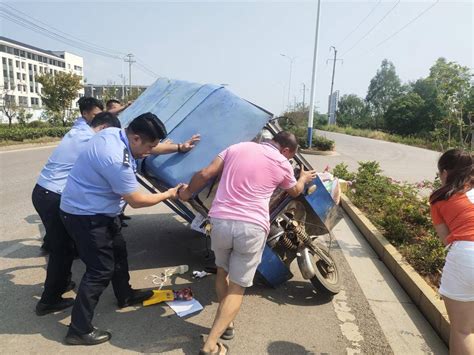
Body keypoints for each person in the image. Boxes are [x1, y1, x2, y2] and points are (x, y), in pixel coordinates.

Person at [59, 112, 193, 346]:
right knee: (99, 270)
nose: (150, 152)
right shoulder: (115, 158)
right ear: (136, 138)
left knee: (119, 252)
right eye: (149, 146)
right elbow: (137, 200)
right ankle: (78, 329)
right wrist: (169, 194)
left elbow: (152, 148)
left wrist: (180, 148)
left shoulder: (114, 133)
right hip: (86, 216)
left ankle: (125, 295)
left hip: (98, 210)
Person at [179, 131, 317, 355]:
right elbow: (295, 191)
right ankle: (211, 344)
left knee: (222, 271)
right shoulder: (282, 162)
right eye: (291, 155)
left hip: (220, 222)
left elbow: (205, 173)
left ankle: (227, 324)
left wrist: (186, 193)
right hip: (251, 228)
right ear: (287, 151)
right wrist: (302, 178)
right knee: (238, 286)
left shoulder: (237, 147)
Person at [32, 112, 121, 316]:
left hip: (43, 192)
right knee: (62, 250)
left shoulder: (79, 129)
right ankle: (49, 300)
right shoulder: (91, 140)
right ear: (103, 129)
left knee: (63, 246)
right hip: (54, 196)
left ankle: (60, 284)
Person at [429, 148, 474, 354]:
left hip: (466, 255)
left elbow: (445, 238)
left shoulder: (439, 198)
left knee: (463, 330)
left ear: (445, 173)